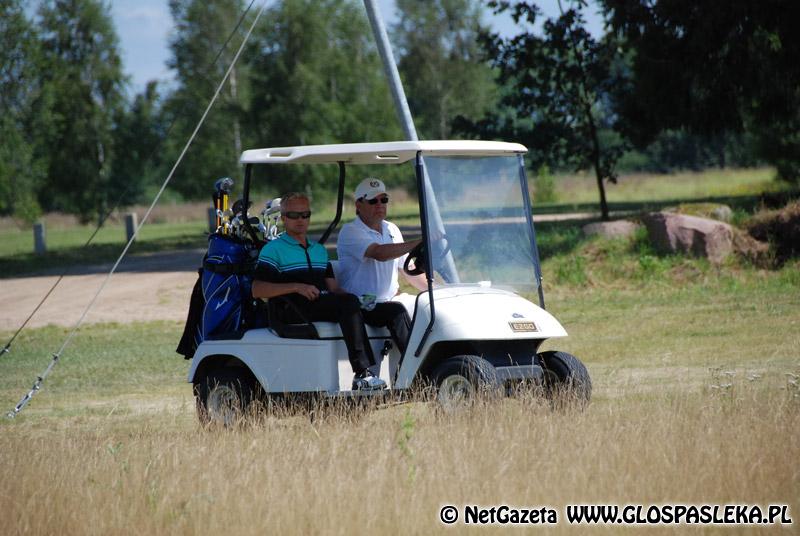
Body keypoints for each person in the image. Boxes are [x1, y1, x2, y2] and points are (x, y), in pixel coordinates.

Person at [251, 192, 386, 391]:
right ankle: (362, 373)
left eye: (305, 215)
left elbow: (334, 289)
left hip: (317, 304)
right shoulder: (273, 250)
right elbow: (257, 289)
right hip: (290, 310)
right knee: (346, 304)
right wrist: (297, 287)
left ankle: (410, 377)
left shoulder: (318, 250)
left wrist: (358, 299)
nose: (300, 220)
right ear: (283, 218)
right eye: (294, 216)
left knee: (380, 308)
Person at [336, 178, 428, 359]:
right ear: (359, 204)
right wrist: (420, 241)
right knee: (396, 312)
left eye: (383, 200)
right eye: (372, 201)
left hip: (389, 299)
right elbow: (379, 253)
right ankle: (417, 368)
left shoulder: (391, 228)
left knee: (428, 308)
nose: (379, 205)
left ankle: (432, 362)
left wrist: (437, 291)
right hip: (362, 303)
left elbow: (407, 269)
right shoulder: (350, 231)